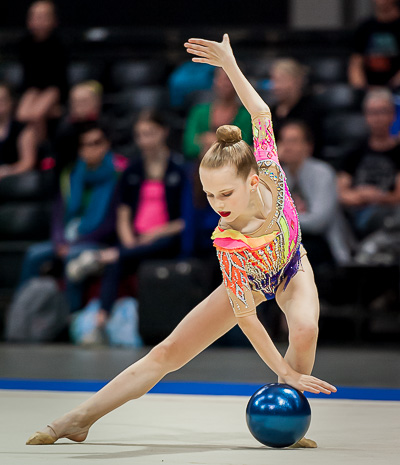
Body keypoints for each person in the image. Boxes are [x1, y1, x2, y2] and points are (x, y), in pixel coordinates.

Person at [26, 34, 336, 448]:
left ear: (254, 180)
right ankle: (79, 418)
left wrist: (229, 64)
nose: (218, 205)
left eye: (226, 194)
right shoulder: (227, 242)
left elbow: (260, 110)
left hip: (293, 268)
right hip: (253, 279)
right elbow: (248, 320)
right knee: (167, 353)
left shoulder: (272, 175)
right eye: (209, 195)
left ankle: (289, 421)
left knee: (306, 328)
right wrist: (285, 369)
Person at [66, 110, 186, 344]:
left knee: (121, 254)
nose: (144, 140)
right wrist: (128, 239)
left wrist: (155, 233)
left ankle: (101, 257)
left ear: (164, 133)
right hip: (136, 239)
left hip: (166, 237)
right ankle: (99, 324)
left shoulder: (178, 170)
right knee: (118, 260)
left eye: (150, 133)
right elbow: (123, 213)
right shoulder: (132, 170)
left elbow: (184, 221)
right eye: (140, 135)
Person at [18, 122, 126, 313]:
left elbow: (110, 225)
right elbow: (58, 215)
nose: (91, 149)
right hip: (66, 239)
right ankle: (23, 312)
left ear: (107, 144)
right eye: (86, 144)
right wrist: (59, 241)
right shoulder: (70, 174)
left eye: (97, 143)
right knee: (33, 255)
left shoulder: (118, 175)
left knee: (74, 257)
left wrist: (76, 243)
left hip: (97, 240)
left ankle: (70, 314)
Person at [278, 120, 352, 266]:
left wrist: (281, 222)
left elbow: (318, 222)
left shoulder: (323, 173)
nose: (287, 147)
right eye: (283, 141)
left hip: (324, 243)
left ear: (308, 146)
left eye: (293, 141)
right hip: (291, 239)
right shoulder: (279, 175)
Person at [337, 88, 400, 238]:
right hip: (355, 212)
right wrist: (364, 196)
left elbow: (397, 196)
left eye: (383, 111)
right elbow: (342, 192)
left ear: (392, 115)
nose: (377, 118)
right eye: (372, 112)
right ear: (365, 116)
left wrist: (376, 196)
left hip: (389, 213)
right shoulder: (353, 151)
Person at [16, 1, 68, 146]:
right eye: (36, 17)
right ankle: (37, 149)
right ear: (29, 20)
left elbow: (59, 79)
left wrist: (55, 102)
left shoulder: (59, 44)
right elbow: (28, 76)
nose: (39, 21)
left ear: (53, 20)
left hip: (54, 88)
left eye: (44, 17)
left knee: (36, 115)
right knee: (22, 114)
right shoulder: (25, 44)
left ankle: (43, 148)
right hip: (33, 88)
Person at [183, 67, 252, 159]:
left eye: (228, 79)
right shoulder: (198, 111)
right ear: (214, 81)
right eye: (219, 78)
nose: (224, 83)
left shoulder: (246, 115)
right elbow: (189, 147)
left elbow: (243, 149)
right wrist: (227, 143)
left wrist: (212, 142)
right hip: (200, 167)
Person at [269, 58, 323, 154]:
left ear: (297, 81)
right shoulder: (271, 110)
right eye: (274, 80)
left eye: (282, 80)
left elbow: (314, 146)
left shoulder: (312, 109)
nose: (276, 86)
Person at [52, 81, 103, 176]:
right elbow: (61, 159)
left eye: (84, 101)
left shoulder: (105, 125)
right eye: (75, 102)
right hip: (72, 173)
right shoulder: (64, 129)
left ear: (96, 103)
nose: (79, 106)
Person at [348, 0, 400, 89]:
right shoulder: (365, 27)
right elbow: (356, 63)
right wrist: (362, 89)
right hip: (369, 90)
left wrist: (392, 88)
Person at [0, 83, 37, 179]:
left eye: (2, 100)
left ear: (10, 102)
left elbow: (28, 162)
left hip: (13, 179)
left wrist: (6, 171)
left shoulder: (23, 128)